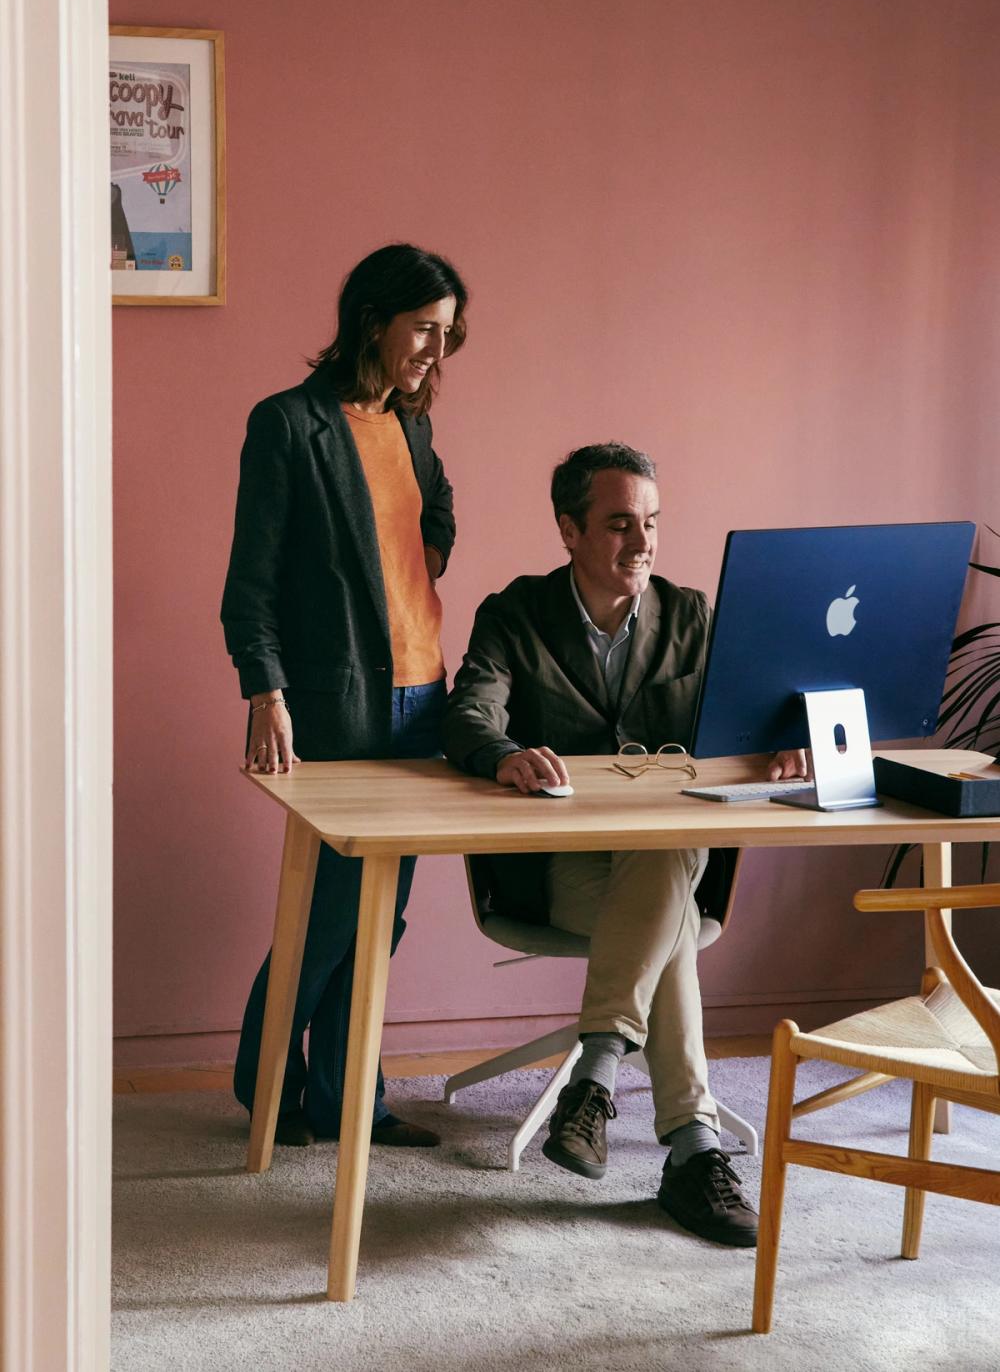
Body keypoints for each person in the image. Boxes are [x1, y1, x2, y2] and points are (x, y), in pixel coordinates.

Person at [443, 442, 805, 1245]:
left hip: (663, 863)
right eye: (618, 525)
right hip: (560, 871)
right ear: (569, 530)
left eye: (651, 523)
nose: (642, 543)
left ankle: (599, 1075)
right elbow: (468, 711)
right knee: (672, 912)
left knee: (669, 849)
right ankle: (690, 1150)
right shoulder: (515, 614)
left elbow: (763, 704)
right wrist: (502, 754)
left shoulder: (690, 616)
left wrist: (788, 735)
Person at [221, 242, 469, 1147]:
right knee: (328, 915)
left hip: (421, 697)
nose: (436, 352)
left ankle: (347, 1098)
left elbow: (435, 511)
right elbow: (250, 581)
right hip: (336, 704)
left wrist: (427, 554)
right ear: (373, 321)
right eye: (424, 330)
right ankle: (268, 1087)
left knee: (382, 920)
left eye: (447, 335)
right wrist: (266, 692)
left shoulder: (413, 426)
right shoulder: (288, 425)